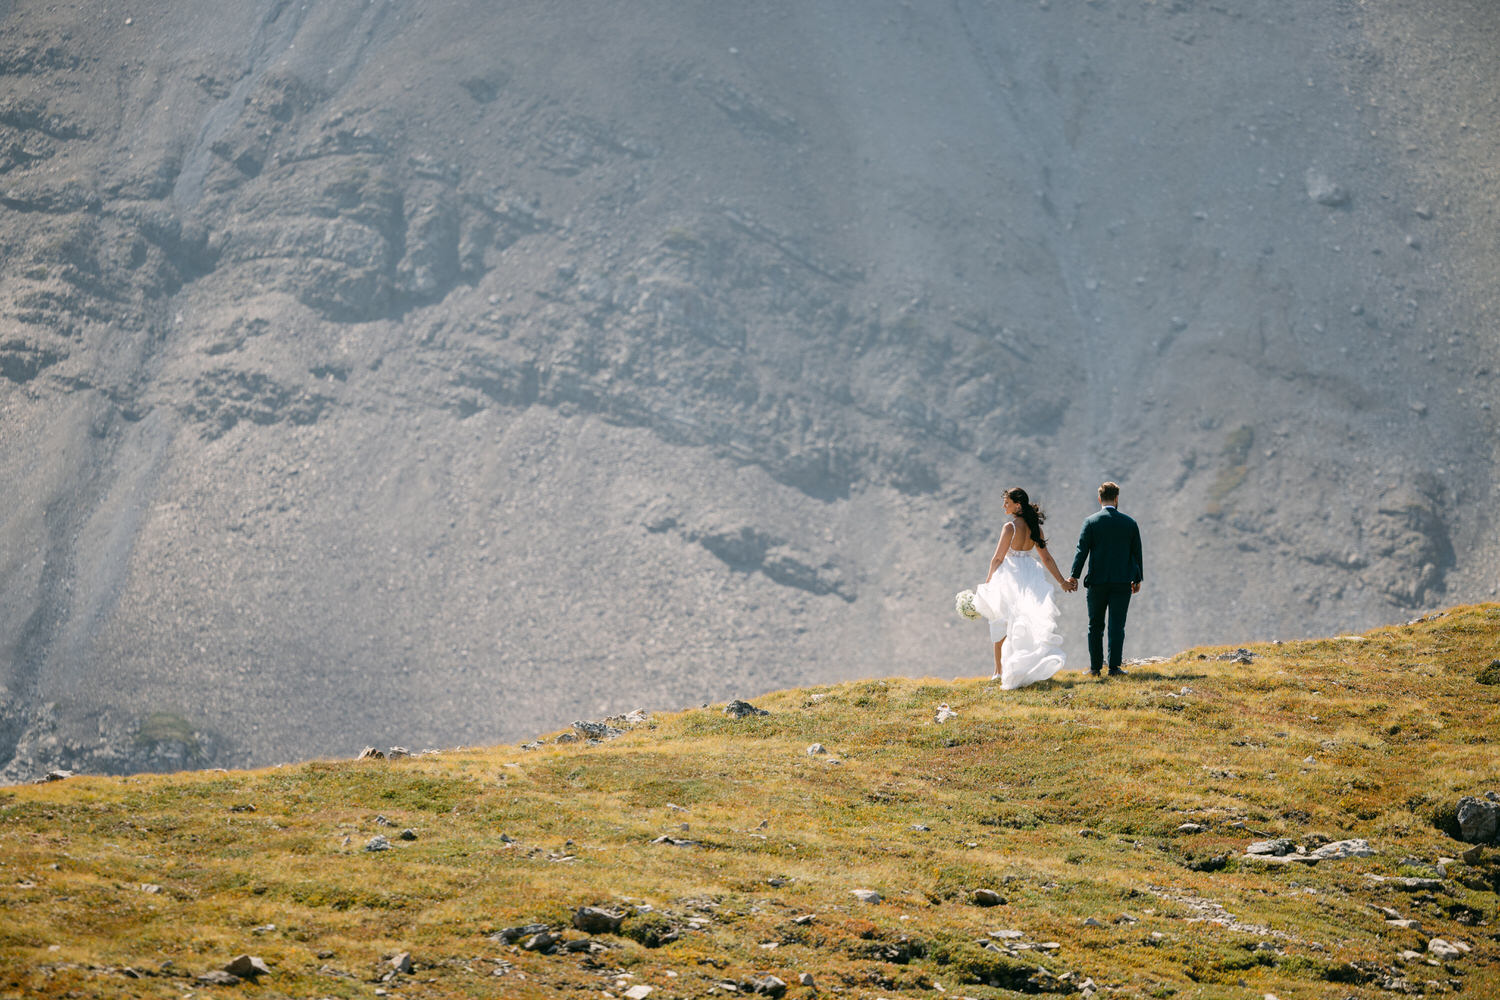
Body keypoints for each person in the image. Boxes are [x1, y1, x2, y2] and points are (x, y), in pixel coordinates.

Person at [973, 487, 1074, 689]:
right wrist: (1062, 581)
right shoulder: (1035, 527)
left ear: (1017, 505)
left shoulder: (1009, 527)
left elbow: (998, 558)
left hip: (1009, 575)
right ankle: (1023, 668)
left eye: (1007, 502)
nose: (1004, 506)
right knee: (1025, 622)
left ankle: (999, 671)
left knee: (1000, 621)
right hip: (1030, 574)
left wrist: (988, 583)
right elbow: (1046, 558)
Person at [1066, 481, 1144, 677]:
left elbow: (1081, 551)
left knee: (1095, 626)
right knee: (1117, 626)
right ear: (1117, 499)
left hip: (1097, 583)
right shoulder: (1130, 523)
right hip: (1122, 582)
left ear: (1099, 499)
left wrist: (1074, 575)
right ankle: (1115, 668)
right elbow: (1136, 553)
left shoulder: (1091, 522)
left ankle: (1094, 668)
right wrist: (1137, 578)